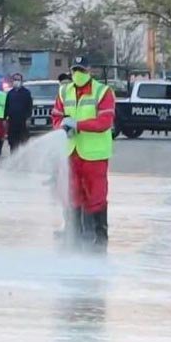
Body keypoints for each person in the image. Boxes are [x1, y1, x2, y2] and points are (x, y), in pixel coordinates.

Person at [52, 57, 115, 252]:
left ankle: (98, 237)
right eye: (75, 70)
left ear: (90, 70)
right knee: (72, 195)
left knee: (96, 196)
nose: (77, 74)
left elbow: (105, 122)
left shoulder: (103, 92)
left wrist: (78, 125)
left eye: (81, 69)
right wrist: (62, 127)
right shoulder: (64, 91)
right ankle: (74, 236)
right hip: (71, 153)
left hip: (94, 154)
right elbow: (56, 116)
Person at [5, 73, 33, 152]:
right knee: (13, 143)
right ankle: (14, 159)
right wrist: (5, 118)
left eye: (18, 80)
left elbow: (29, 106)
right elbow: (7, 106)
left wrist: (28, 118)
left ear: (21, 81)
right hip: (12, 122)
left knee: (24, 142)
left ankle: (24, 160)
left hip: (22, 122)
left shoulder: (26, 93)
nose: (16, 81)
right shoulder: (10, 93)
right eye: (15, 79)